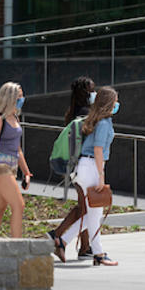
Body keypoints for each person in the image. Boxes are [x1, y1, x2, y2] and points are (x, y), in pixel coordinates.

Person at [50, 86, 119, 266]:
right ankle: (98, 254)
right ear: (109, 103)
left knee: (92, 213)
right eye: (116, 100)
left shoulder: (98, 121)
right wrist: (101, 176)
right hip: (92, 168)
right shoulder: (104, 123)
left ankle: (62, 242)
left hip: (86, 168)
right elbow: (98, 150)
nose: (118, 104)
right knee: (95, 213)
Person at [55, 76, 96, 260]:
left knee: (84, 207)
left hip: (74, 166)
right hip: (85, 166)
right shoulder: (87, 115)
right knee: (85, 208)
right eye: (92, 89)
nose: (95, 93)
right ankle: (57, 235)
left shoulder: (71, 112)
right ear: (86, 92)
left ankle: (85, 247)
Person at [0, 82, 33, 238]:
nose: (22, 99)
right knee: (19, 205)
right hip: (0, 166)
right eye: (18, 96)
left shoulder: (15, 117)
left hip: (12, 166)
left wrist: (26, 172)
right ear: (10, 98)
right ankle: (17, 246)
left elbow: (17, 149)